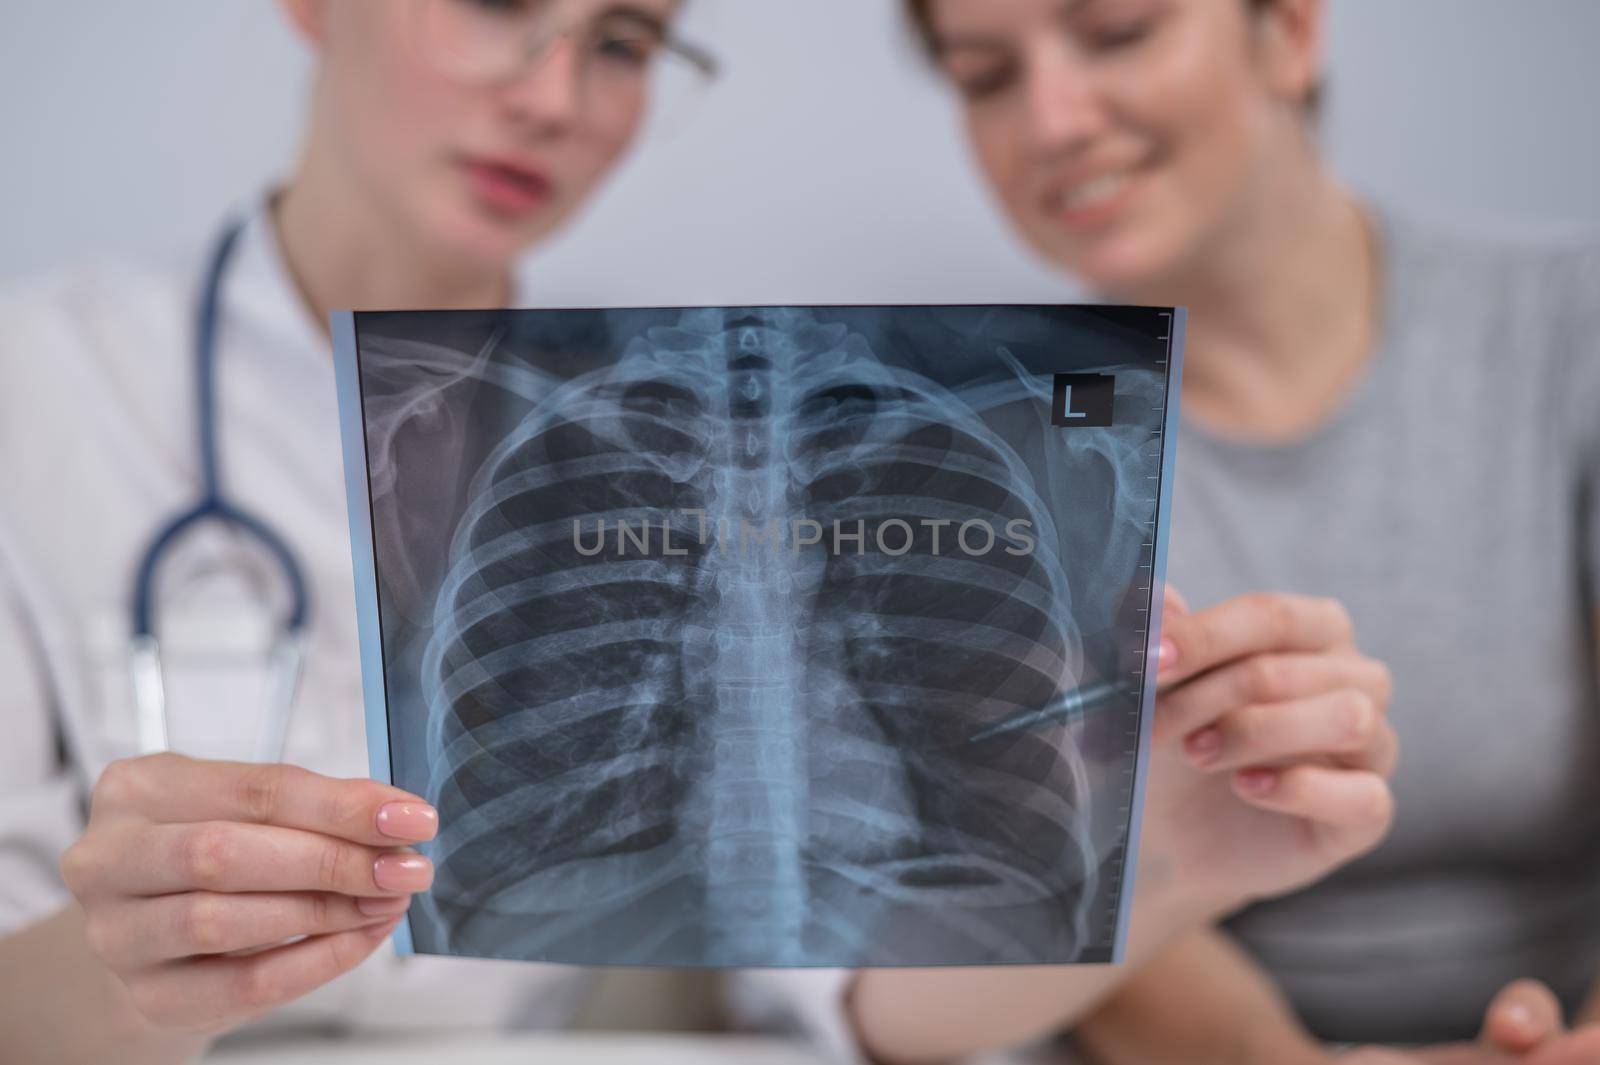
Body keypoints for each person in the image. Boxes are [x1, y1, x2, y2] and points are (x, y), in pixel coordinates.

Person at [743, 0, 1600, 1061]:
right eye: (984, 76)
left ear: (1285, 32)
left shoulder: (1570, 330)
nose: (1051, 122)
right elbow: (1032, 904)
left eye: (1116, 32)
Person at [0, 2, 718, 1062]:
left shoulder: (670, 454)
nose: (553, 99)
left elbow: (845, 988)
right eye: (495, 3)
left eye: (621, 42)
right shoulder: (42, 385)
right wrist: (147, 960)